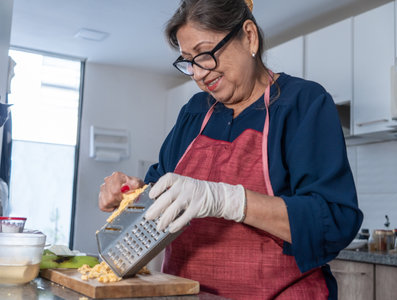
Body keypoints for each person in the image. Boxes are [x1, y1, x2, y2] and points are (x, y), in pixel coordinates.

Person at [98, 0, 363, 299]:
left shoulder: (302, 104)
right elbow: (159, 192)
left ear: (249, 36)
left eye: (205, 54)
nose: (198, 73)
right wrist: (132, 192)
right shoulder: (194, 113)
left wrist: (229, 201)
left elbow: (334, 221)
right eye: (188, 60)